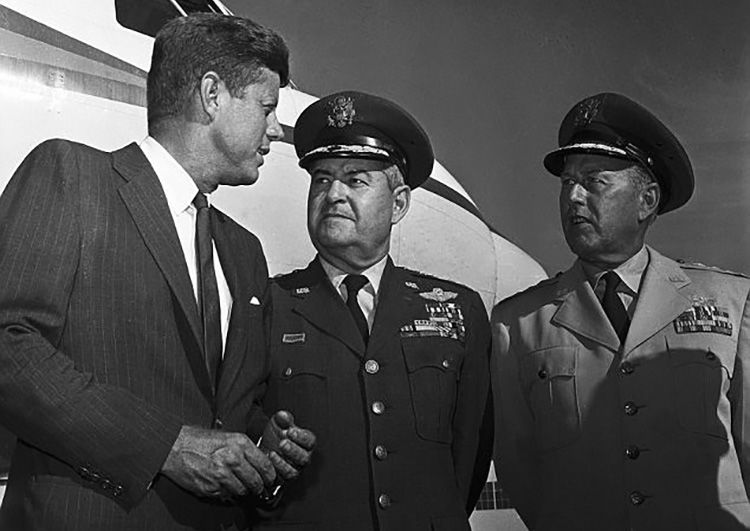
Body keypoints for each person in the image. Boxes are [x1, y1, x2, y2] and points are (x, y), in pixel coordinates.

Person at [0, 13, 315, 531]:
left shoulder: (244, 251)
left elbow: (223, 408)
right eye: (267, 107)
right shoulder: (71, 177)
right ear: (212, 95)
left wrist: (261, 448)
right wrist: (166, 445)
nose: (276, 130)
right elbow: (8, 345)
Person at [492, 92, 750, 530]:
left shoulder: (730, 301)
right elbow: (519, 467)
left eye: (594, 181)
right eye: (566, 182)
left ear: (646, 200)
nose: (572, 196)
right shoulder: (517, 323)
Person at [252, 91, 492, 530]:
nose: (334, 194)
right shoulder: (265, 306)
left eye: (356, 180)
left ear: (398, 203)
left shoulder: (459, 312)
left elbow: (469, 455)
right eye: (321, 179)